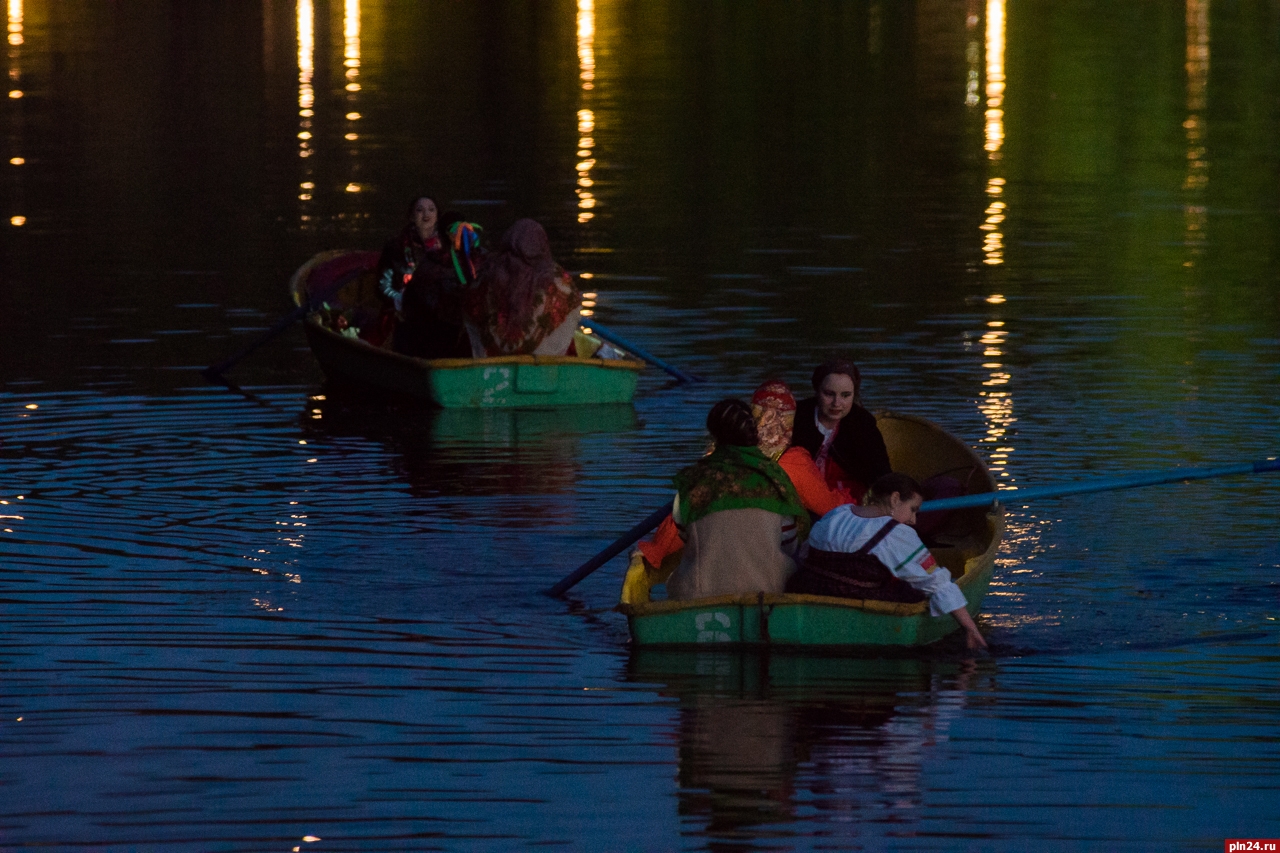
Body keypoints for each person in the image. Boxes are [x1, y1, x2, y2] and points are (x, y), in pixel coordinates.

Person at [636, 380, 853, 571]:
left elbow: (682, 515)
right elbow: (831, 508)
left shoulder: (713, 460)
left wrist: (654, 552)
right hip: (773, 566)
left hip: (716, 563)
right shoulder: (795, 462)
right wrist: (856, 498)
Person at [796, 473, 988, 651]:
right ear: (895, 499)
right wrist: (970, 628)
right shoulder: (896, 533)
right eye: (912, 510)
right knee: (914, 590)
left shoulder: (838, 513)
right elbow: (936, 583)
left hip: (811, 589)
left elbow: (805, 553)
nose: (913, 520)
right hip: (861, 603)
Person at [664, 399, 811, 601]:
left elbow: (684, 534)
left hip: (699, 594)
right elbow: (790, 544)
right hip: (768, 592)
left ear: (714, 436)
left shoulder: (693, 480)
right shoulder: (775, 477)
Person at [462, 218, 582, 357]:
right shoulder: (557, 276)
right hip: (544, 363)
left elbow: (468, 303)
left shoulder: (486, 272)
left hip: (490, 362)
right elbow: (574, 304)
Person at [375, 196, 472, 358]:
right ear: (411, 216)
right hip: (403, 312)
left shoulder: (450, 247)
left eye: (431, 210)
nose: (426, 214)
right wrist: (400, 301)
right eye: (420, 210)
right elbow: (382, 285)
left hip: (441, 316)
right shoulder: (396, 247)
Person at [790, 358, 892, 500]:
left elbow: (881, 472)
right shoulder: (796, 416)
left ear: (854, 394)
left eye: (845, 395)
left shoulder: (863, 422)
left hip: (849, 498)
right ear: (817, 391)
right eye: (829, 394)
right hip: (799, 493)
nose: (837, 403)